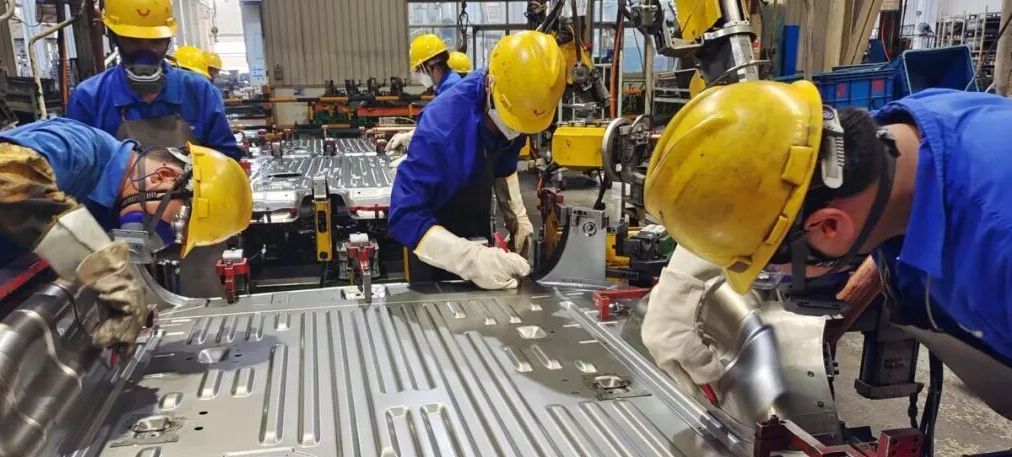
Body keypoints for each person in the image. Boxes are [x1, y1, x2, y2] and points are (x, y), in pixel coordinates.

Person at [641, 80, 1012, 409]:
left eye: (769, 265)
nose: (773, 275)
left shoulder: (999, 248)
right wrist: (683, 281)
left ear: (830, 226)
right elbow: (762, 168)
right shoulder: (881, 143)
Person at [0, 118, 252, 349]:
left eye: (178, 237)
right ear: (164, 177)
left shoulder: (107, 210)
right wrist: (103, 270)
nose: (165, 237)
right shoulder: (78, 146)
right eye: (179, 221)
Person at [388, 31, 566, 289]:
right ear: (490, 87)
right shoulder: (441, 128)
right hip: (434, 246)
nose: (515, 132)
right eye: (512, 123)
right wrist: (471, 260)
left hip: (477, 226)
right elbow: (404, 215)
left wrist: (516, 215)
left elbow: (504, 162)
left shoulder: (519, 102)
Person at [66, 0, 240, 159]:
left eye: (155, 42)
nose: (145, 53)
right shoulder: (89, 98)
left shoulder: (199, 91)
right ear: (114, 38)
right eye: (133, 42)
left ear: (168, 40)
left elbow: (226, 161)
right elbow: (79, 169)